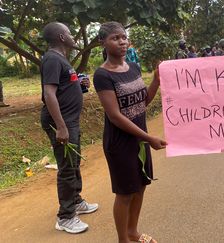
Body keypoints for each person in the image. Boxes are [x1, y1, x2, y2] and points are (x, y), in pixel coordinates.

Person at [93, 21, 166, 243]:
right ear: (102, 42)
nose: (122, 41)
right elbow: (115, 116)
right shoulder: (102, 75)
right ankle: (122, 239)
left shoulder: (133, 68)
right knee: (125, 193)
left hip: (140, 138)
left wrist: (155, 81)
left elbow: (142, 103)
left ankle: (133, 231)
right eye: (115, 38)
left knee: (141, 186)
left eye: (124, 37)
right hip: (120, 143)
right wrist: (148, 137)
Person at [40, 22, 98, 234]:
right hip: (61, 122)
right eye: (70, 33)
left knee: (74, 162)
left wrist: (78, 85)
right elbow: (49, 94)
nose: (73, 36)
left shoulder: (60, 59)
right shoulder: (52, 59)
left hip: (69, 120)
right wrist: (61, 127)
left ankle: (75, 200)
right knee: (66, 168)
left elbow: (62, 88)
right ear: (62, 37)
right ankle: (65, 217)